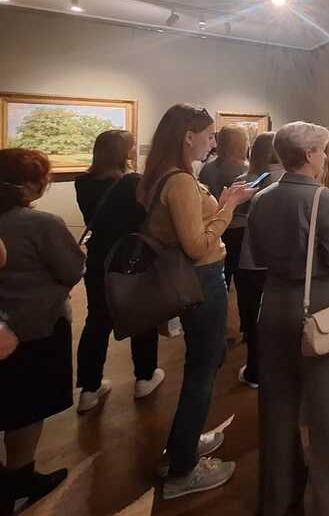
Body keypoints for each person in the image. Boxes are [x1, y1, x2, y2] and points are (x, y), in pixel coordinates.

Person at [137, 104, 253, 500]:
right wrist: (229, 208)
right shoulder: (180, 181)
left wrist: (220, 203)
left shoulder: (169, 176)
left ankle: (182, 444)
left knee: (205, 363)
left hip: (196, 279)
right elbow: (198, 245)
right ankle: (183, 470)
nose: (212, 143)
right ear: (188, 136)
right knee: (203, 370)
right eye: (208, 136)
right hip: (201, 279)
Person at [249, 122, 329, 515]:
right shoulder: (326, 200)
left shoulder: (261, 198)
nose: (325, 157)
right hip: (318, 305)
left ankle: (279, 492)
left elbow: (255, 257)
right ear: (310, 155)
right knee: (327, 403)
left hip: (274, 302)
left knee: (277, 403)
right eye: (322, 151)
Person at [0, 149, 85, 515]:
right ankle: (20, 480)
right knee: (27, 408)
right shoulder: (41, 223)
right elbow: (72, 269)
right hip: (37, 326)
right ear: (29, 184)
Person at [74, 130, 163, 413]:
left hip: (99, 258)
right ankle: (144, 377)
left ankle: (89, 389)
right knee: (142, 317)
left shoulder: (82, 182)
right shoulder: (133, 183)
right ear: (122, 152)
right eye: (131, 147)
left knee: (97, 321)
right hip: (131, 258)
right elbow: (146, 220)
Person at [233, 131, 283, 389]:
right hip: (280, 259)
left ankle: (255, 370)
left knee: (253, 317)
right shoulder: (286, 181)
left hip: (252, 258)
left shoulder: (244, 181)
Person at [199, 125, 249, 289]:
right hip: (239, 228)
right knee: (242, 280)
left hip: (214, 226)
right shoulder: (245, 169)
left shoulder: (207, 168)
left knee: (220, 277)